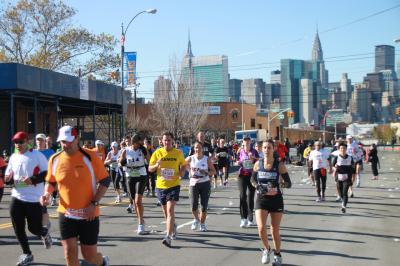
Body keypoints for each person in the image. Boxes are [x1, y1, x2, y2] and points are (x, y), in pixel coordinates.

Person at [40, 125, 110, 266]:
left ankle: (102, 262)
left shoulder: (90, 157)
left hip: (88, 213)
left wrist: (94, 203)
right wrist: (46, 193)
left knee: (89, 257)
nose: (65, 145)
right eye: (62, 141)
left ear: (77, 138)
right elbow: (51, 181)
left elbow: (105, 180)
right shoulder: (55, 159)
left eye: (69, 141)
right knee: (69, 253)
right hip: (66, 214)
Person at [5, 131, 52, 266]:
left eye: (20, 142)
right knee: (18, 228)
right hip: (17, 197)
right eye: (16, 142)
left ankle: (43, 232)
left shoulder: (36, 155)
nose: (18, 145)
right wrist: (8, 179)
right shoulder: (13, 157)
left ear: (27, 141)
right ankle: (27, 253)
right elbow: (8, 175)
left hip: (33, 198)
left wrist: (33, 179)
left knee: (33, 229)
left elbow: (48, 173)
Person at [251, 139, 291, 265]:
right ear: (261, 149)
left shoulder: (279, 165)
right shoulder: (258, 164)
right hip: (261, 199)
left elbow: (288, 183)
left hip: (276, 199)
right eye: (264, 148)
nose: (266, 150)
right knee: (261, 228)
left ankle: (278, 254)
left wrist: (280, 184)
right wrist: (258, 187)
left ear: (273, 149)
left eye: (269, 148)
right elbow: (252, 180)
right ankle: (267, 249)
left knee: (274, 230)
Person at [148, 132, 186, 247]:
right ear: (161, 141)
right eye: (165, 140)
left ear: (172, 141)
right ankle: (173, 225)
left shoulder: (178, 153)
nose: (167, 142)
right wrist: (156, 165)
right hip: (161, 186)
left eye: (169, 140)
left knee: (170, 210)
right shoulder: (157, 153)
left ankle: (168, 237)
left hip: (174, 185)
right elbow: (150, 168)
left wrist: (182, 172)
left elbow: (183, 165)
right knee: (165, 212)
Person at [119, 134, 149, 235]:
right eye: (139, 143)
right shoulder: (126, 150)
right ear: (135, 142)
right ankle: (141, 219)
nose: (140, 144)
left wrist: (146, 152)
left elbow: (149, 160)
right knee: (133, 201)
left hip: (141, 174)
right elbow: (120, 163)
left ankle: (140, 224)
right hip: (130, 175)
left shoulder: (142, 150)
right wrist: (123, 162)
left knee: (138, 200)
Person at [185, 141, 216, 232]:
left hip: (205, 182)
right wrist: (189, 170)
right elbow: (181, 163)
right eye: (196, 148)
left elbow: (213, 171)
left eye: (199, 147)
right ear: (194, 149)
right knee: (193, 206)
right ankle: (197, 220)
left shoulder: (206, 159)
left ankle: (202, 224)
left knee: (204, 206)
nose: (197, 149)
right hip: (193, 183)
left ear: (202, 149)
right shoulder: (190, 158)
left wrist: (206, 172)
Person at [237, 135, 259, 227]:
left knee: (250, 197)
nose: (246, 142)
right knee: (242, 196)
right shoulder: (240, 151)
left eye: (248, 141)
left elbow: (258, 162)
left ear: (250, 142)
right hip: (242, 175)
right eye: (245, 141)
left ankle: (250, 219)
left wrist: (253, 159)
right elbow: (237, 160)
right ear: (243, 142)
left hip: (252, 176)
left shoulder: (254, 151)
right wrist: (238, 162)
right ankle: (243, 218)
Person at [332, 143, 354, 213]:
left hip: (347, 177)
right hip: (339, 177)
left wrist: (351, 173)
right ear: (339, 149)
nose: (343, 150)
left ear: (346, 149)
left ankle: (344, 206)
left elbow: (352, 166)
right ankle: (343, 200)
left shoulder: (350, 157)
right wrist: (334, 168)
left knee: (345, 192)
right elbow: (333, 166)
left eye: (344, 148)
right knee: (340, 192)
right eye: (341, 148)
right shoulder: (336, 157)